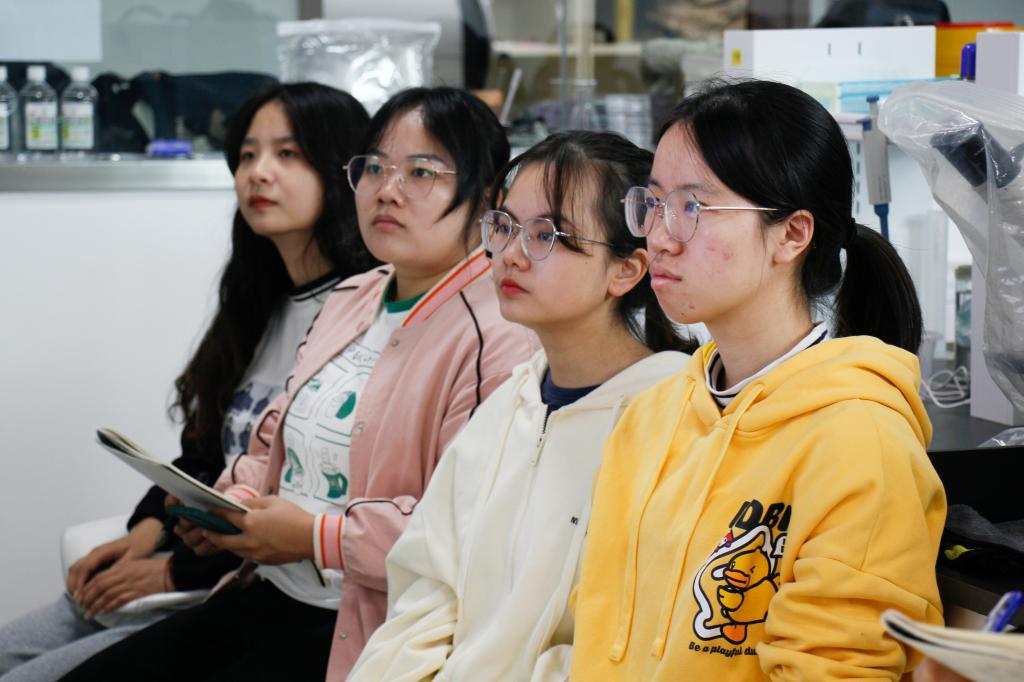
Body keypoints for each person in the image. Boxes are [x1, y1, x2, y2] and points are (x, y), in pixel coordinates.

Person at [59, 86, 537, 682]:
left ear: (487, 199)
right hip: (265, 591)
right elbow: (271, 443)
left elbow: (466, 527)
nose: (387, 190)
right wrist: (231, 502)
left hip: (369, 626)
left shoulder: (500, 333)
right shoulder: (353, 296)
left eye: (421, 172)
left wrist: (315, 537)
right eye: (374, 168)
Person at [570, 79, 947, 680]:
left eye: (692, 208)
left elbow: (834, 670)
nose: (659, 237)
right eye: (655, 204)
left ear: (792, 234)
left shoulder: (860, 443)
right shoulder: (652, 414)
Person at [0, 82, 375, 682]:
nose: (258, 173)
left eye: (287, 154)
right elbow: (204, 453)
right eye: (247, 155)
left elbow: (321, 505)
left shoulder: (369, 317)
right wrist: (146, 534)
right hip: (194, 565)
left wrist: (173, 572)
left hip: (245, 588)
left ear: (344, 170)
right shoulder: (259, 302)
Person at [348, 130, 698, 681]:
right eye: (506, 227)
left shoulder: (675, 417)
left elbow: (628, 637)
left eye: (546, 236)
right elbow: (426, 588)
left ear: (626, 270)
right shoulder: (511, 403)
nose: (510, 255)